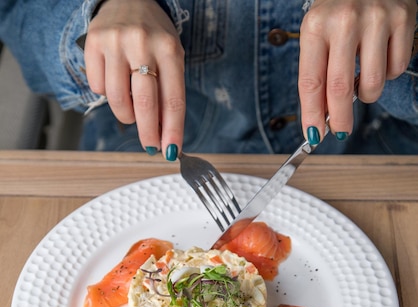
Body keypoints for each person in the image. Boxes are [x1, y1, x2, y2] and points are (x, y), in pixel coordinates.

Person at [0, 0, 417, 157]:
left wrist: (405, 32)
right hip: (138, 173)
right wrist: (99, 15)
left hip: (374, 168)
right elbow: (17, 18)